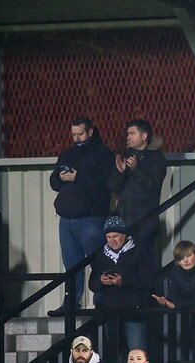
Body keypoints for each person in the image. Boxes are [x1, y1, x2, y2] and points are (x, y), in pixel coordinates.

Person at [48, 117, 114, 316]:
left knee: (98, 262)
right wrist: (60, 177)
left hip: (91, 217)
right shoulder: (67, 153)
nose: (76, 138)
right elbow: (54, 182)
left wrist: (79, 177)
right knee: (71, 264)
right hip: (67, 218)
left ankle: (102, 302)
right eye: (74, 134)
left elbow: (106, 180)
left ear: (90, 132)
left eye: (80, 134)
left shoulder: (103, 153)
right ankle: (71, 303)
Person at [88, 215, 156, 355]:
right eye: (108, 237)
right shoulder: (101, 256)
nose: (112, 241)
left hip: (134, 313)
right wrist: (101, 281)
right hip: (110, 314)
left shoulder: (140, 252)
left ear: (124, 235)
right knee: (112, 355)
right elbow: (92, 284)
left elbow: (149, 281)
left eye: (115, 236)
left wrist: (123, 281)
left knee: (137, 354)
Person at [108, 119, 167, 259]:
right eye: (128, 133)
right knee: (126, 259)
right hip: (125, 218)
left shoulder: (156, 158)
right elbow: (113, 187)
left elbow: (153, 183)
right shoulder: (125, 156)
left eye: (132, 133)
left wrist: (136, 169)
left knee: (144, 259)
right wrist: (120, 172)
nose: (128, 137)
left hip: (145, 219)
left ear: (144, 136)